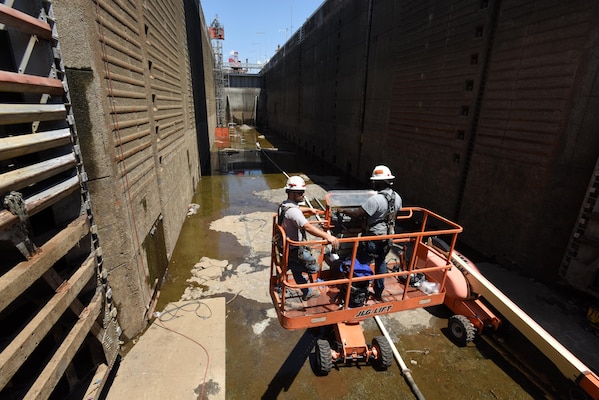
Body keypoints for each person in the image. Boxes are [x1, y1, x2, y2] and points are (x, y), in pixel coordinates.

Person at [338, 165, 402, 301]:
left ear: (380, 182)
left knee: (360, 262)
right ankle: (378, 291)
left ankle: (358, 291)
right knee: (380, 261)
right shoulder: (397, 197)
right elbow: (395, 214)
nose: (373, 183)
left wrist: (343, 211)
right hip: (388, 236)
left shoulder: (375, 200)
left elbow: (356, 214)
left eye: (374, 181)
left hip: (373, 237)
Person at [278, 176, 339, 301]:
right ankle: (293, 267)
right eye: (300, 193)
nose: (303, 195)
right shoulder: (294, 212)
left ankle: (306, 290)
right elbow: (307, 227)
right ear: (291, 193)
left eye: (303, 192)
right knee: (313, 267)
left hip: (285, 247)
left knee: (295, 272)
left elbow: (295, 209)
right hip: (295, 249)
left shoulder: (284, 205)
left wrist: (309, 210)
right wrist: (328, 236)